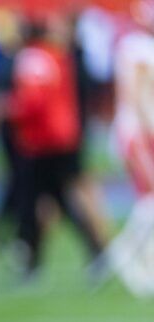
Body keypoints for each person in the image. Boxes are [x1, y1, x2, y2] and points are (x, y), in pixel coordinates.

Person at [9, 17, 104, 280]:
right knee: (56, 198)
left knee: (32, 201)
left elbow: (33, 101)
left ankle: (31, 263)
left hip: (41, 141)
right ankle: (94, 251)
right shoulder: (58, 55)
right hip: (62, 137)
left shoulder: (33, 57)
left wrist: (10, 110)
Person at [106, 0, 154, 296]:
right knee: (150, 195)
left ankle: (141, 260)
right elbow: (137, 95)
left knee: (148, 198)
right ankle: (123, 253)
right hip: (137, 131)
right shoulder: (137, 46)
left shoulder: (136, 44)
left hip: (140, 129)